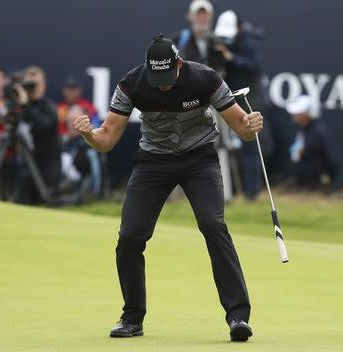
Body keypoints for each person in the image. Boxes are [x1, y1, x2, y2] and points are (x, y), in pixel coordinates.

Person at [73, 35, 264, 342]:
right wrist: (89, 136)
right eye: (156, 78)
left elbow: (242, 128)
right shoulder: (132, 84)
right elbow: (106, 139)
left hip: (199, 158)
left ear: (179, 64)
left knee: (213, 224)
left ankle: (238, 315)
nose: (163, 85)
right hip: (154, 161)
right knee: (130, 236)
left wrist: (252, 126)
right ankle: (132, 317)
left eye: (168, 77)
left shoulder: (205, 78)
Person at [214, 10, 273, 200]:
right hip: (229, 101)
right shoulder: (220, 43)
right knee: (227, 147)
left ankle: (251, 193)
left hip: (250, 100)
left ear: (237, 29)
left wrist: (231, 57)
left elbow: (254, 66)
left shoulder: (249, 42)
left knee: (251, 148)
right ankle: (231, 192)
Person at [286, 95, 343, 194]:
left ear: (307, 114)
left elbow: (334, 158)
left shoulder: (318, 132)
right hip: (304, 185)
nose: (294, 115)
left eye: (298, 113)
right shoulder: (304, 130)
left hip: (317, 186)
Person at [13, 66, 61, 204]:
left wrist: (24, 102)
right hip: (27, 163)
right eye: (29, 83)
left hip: (47, 165)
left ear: (43, 85)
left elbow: (41, 125)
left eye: (36, 83)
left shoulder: (49, 107)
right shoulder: (20, 107)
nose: (32, 87)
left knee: (44, 203)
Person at [57, 77, 103, 198]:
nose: (71, 92)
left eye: (74, 89)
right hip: (65, 144)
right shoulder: (60, 108)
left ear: (79, 91)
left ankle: (93, 191)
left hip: (84, 142)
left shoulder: (88, 107)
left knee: (92, 156)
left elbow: (96, 126)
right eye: (68, 89)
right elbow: (57, 129)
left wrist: (86, 133)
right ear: (64, 91)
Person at [170, 0, 224, 71]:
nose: (202, 18)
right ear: (189, 16)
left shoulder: (219, 42)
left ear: (211, 16)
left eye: (205, 14)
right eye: (198, 14)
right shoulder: (178, 39)